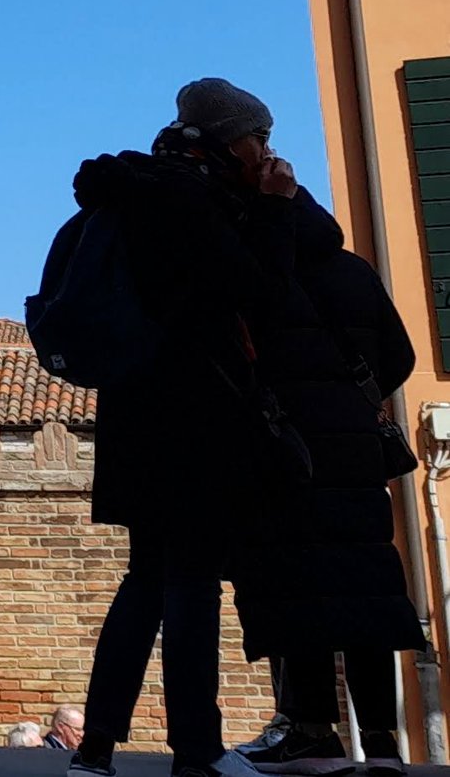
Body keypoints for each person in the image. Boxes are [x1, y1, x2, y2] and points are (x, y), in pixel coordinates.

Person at [53, 79, 294, 777]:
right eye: (260, 138)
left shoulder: (134, 189)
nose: (266, 152)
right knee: (190, 585)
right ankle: (198, 750)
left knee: (147, 579)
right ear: (227, 137)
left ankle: (96, 748)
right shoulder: (188, 196)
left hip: (135, 418)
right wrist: (275, 210)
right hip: (193, 418)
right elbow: (257, 293)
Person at [223, 126, 423, 769]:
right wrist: (350, 404)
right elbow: (399, 357)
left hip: (288, 452)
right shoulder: (354, 272)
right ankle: (385, 743)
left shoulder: (259, 277)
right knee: (362, 588)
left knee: (296, 586)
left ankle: (308, 724)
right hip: (358, 455)